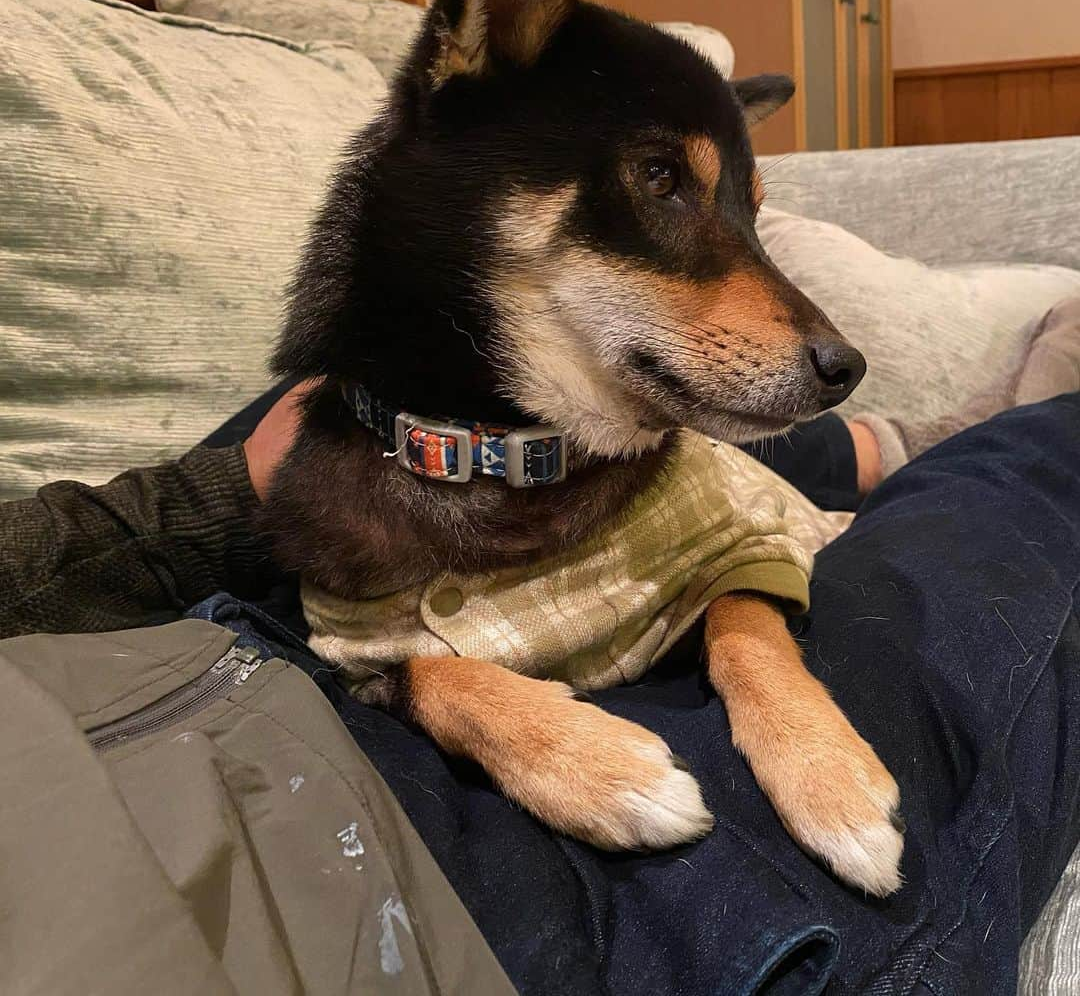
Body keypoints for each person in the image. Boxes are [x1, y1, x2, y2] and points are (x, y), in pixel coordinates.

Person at [2, 301, 1079, 995]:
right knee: (1032, 465)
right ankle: (939, 444)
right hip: (376, 847)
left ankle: (870, 448)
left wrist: (216, 496)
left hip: (181, 687)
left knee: (458, 393)